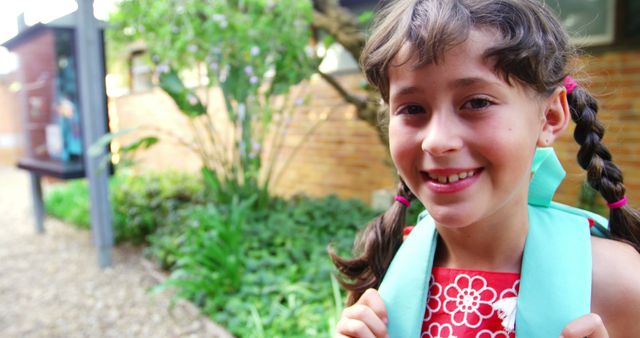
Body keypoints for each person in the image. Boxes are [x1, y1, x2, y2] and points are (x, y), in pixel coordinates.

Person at [331, 0, 640, 337]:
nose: (437, 141)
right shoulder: (386, 272)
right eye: (412, 108)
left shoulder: (617, 281)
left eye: (477, 103)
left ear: (550, 116)